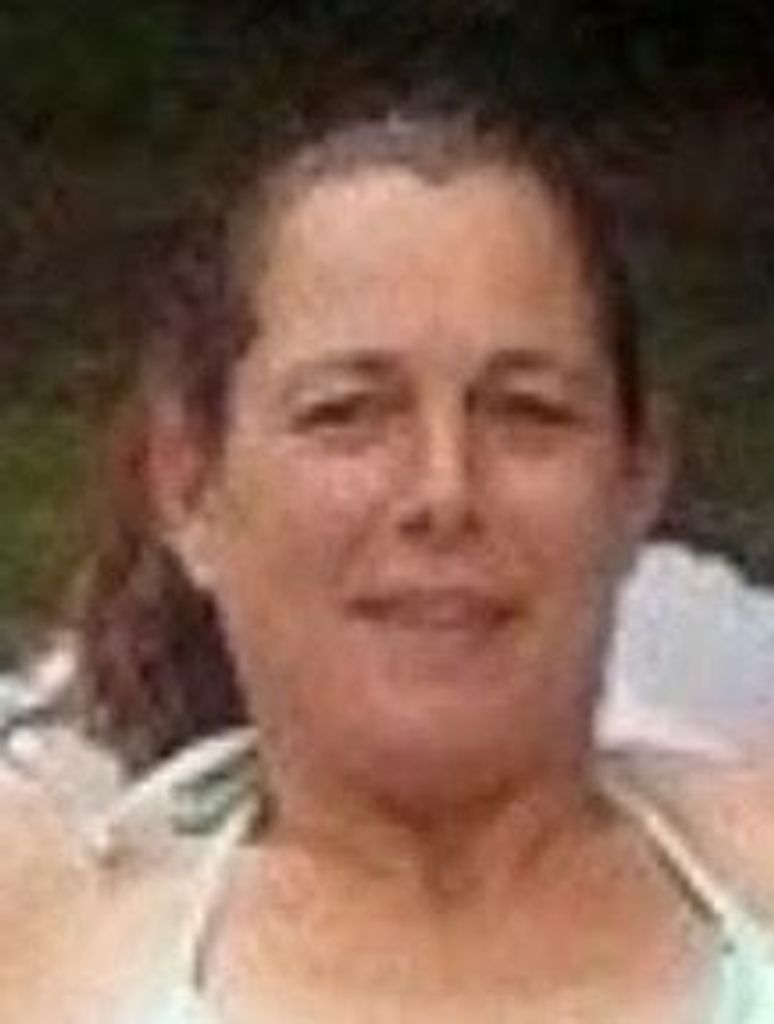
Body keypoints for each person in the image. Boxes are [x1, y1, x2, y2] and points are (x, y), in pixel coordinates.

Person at [2, 51, 774, 1024]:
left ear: (637, 479)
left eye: (527, 411)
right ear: (189, 486)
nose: (443, 491)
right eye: (347, 413)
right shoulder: (37, 948)